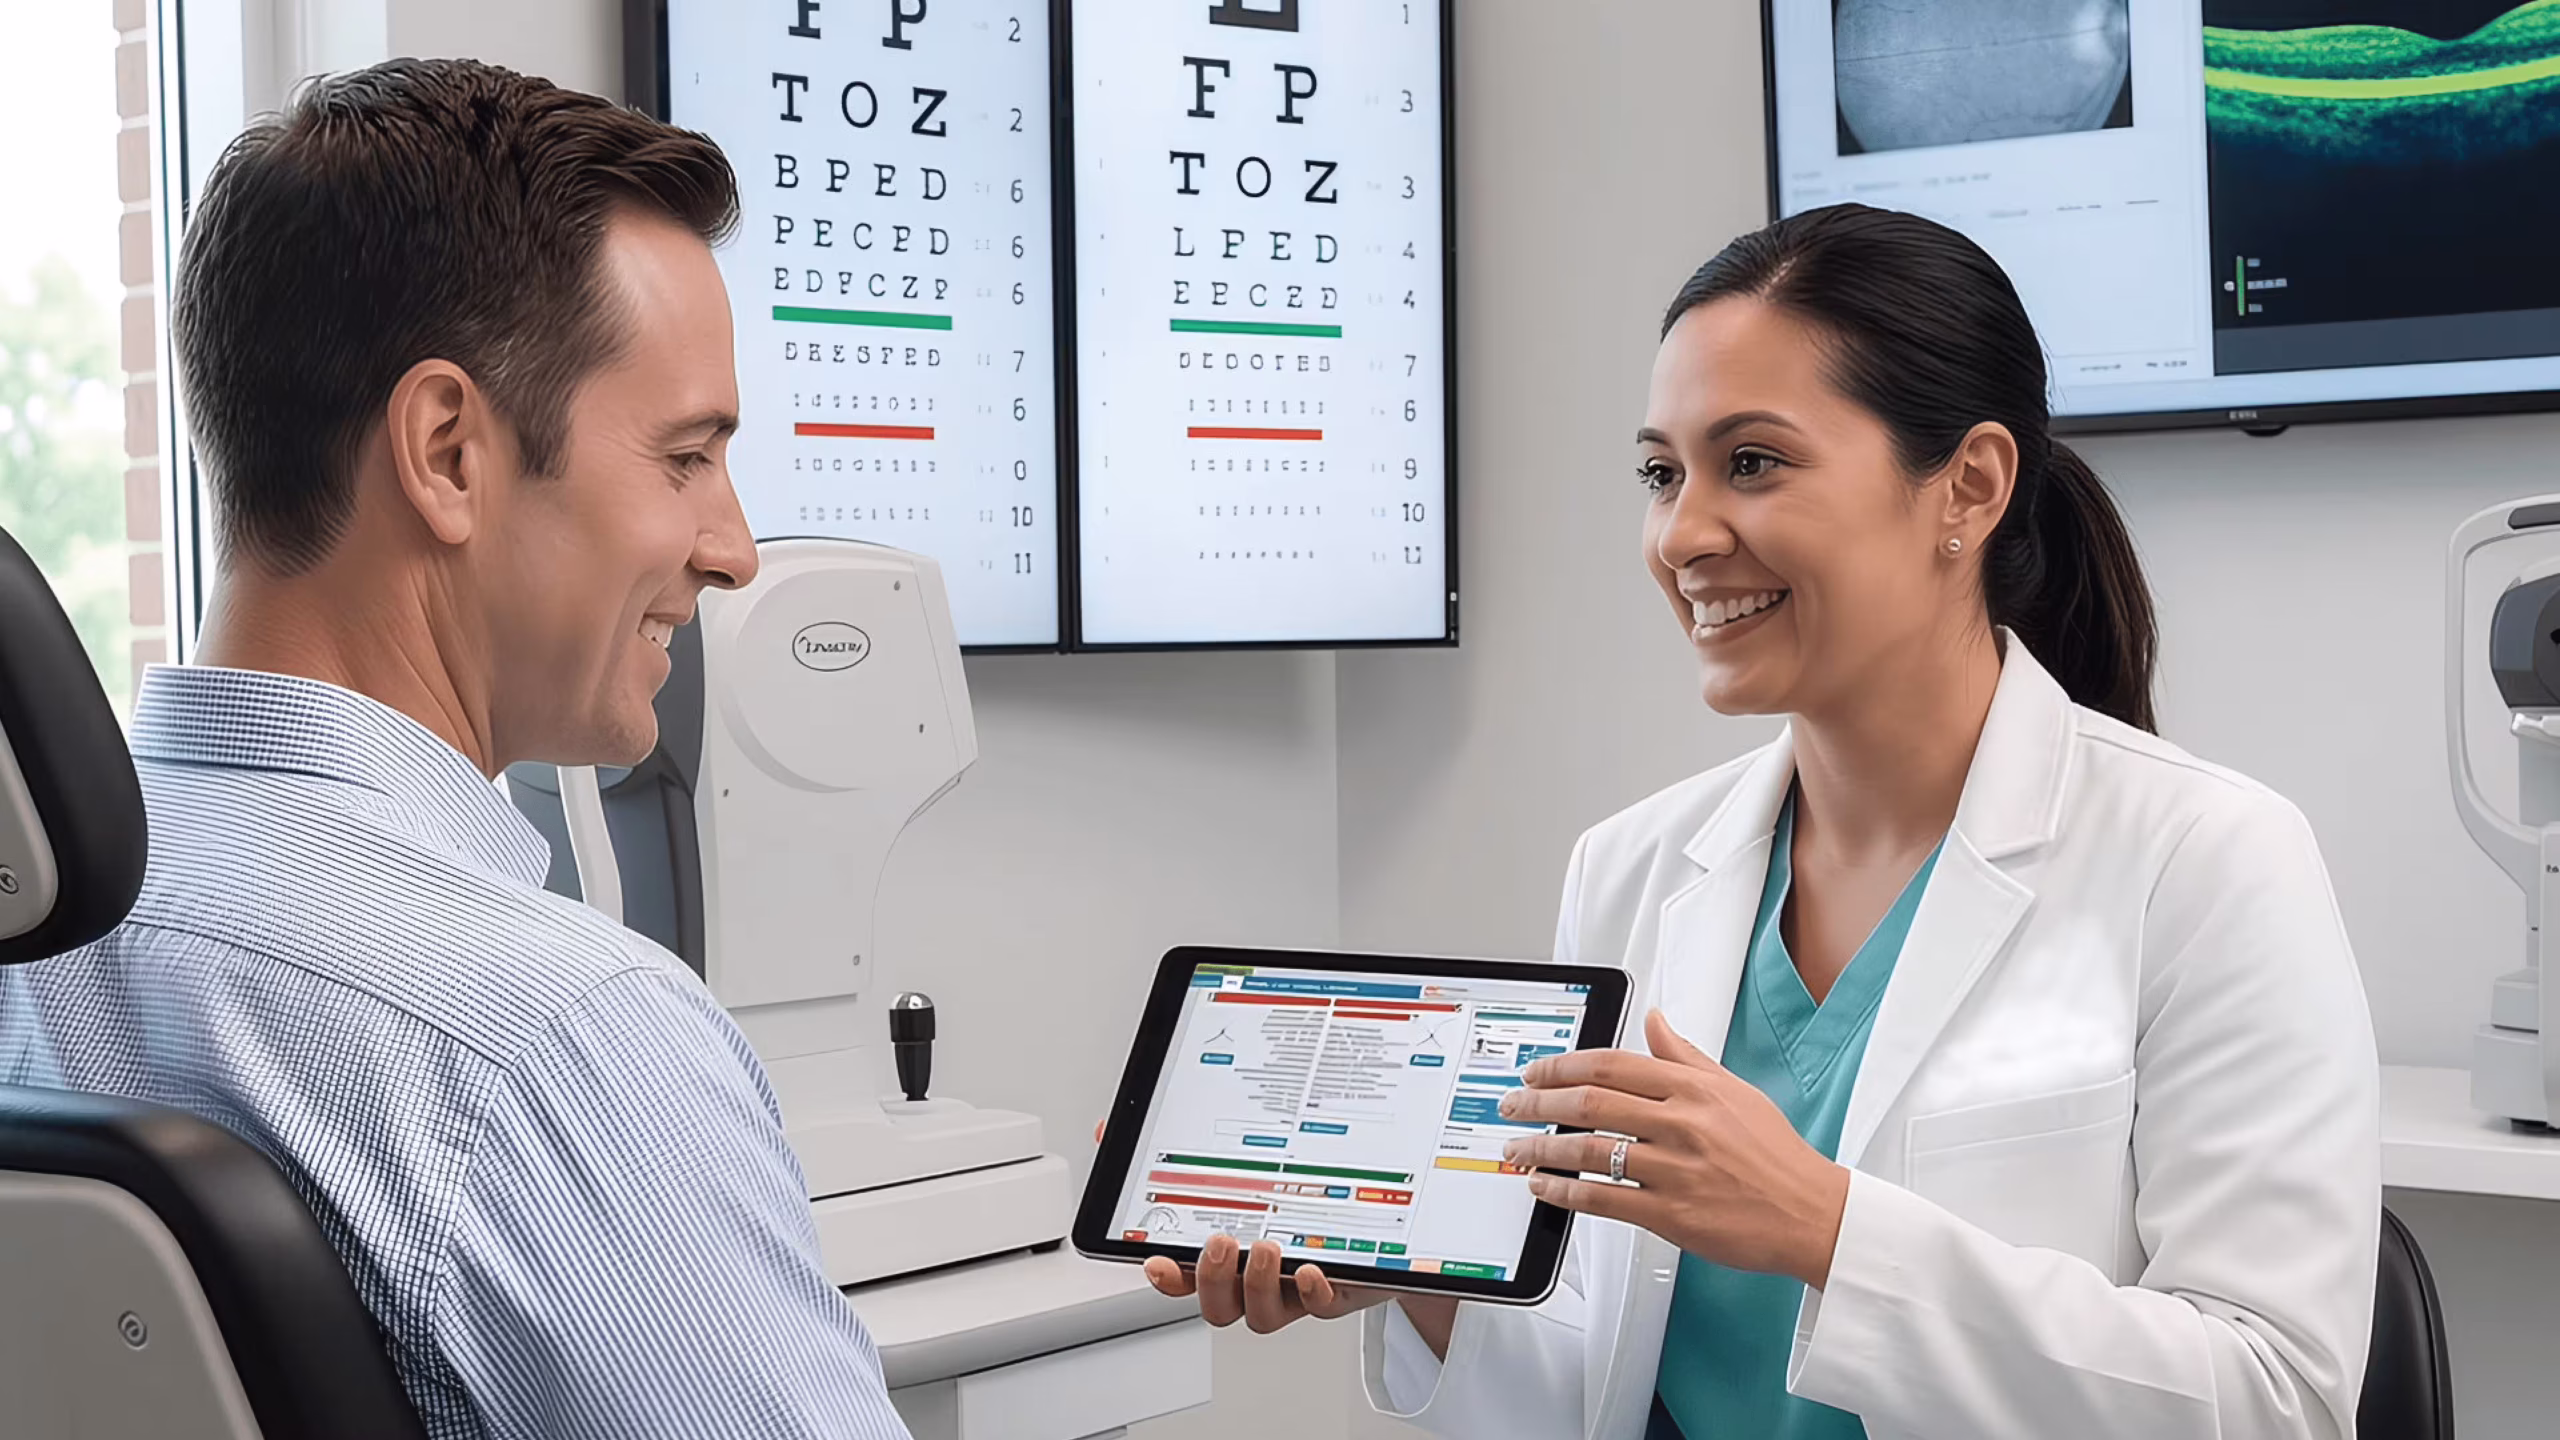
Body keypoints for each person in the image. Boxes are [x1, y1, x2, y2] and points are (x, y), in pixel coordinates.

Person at [1147, 204, 2381, 1439]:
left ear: (1970, 485)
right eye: (1659, 473)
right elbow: (1608, 1382)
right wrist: (1412, 1285)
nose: (1682, 535)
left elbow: (2277, 1398)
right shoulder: (1627, 868)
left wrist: (1823, 1228)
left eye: (1752, 463)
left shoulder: (2209, 860)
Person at [0, 60, 909, 1440]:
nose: (733, 548)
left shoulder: (42, 951)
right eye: (685, 459)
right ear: (446, 452)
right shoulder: (559, 1046)